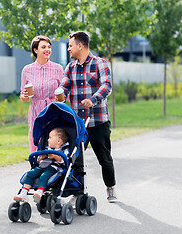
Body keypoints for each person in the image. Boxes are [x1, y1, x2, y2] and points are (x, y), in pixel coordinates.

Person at [58, 31, 117, 203]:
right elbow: (64, 88)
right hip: (78, 124)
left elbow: (106, 86)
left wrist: (93, 100)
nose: (68, 49)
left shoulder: (100, 64)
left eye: (70, 45)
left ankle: (110, 187)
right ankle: (77, 192)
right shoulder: (70, 68)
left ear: (80, 46)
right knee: (75, 159)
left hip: (98, 121)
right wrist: (60, 95)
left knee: (105, 159)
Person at [20, 36, 64, 153]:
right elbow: (24, 96)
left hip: (53, 110)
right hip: (36, 111)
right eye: (43, 47)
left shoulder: (58, 68)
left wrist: (60, 98)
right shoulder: (27, 70)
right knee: (36, 141)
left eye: (49, 47)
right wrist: (24, 97)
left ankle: (55, 167)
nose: (47, 50)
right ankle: (37, 166)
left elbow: (64, 92)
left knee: (53, 141)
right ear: (35, 50)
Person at [14, 128, 70, 203]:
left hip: (54, 169)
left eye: (50, 138)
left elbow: (64, 160)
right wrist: (42, 157)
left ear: (58, 140)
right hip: (42, 167)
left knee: (44, 176)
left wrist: (54, 156)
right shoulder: (47, 149)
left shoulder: (64, 149)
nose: (47, 140)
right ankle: (23, 193)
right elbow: (39, 161)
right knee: (30, 173)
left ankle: (40, 191)